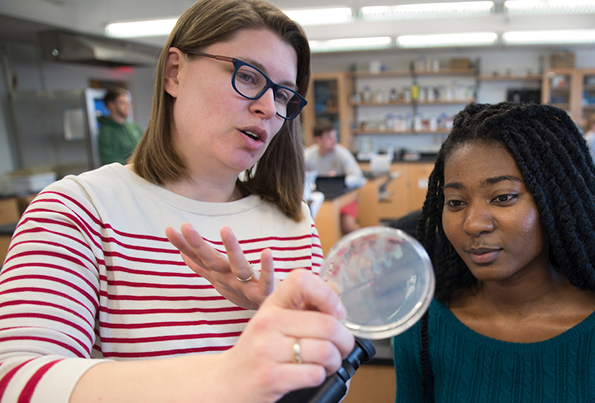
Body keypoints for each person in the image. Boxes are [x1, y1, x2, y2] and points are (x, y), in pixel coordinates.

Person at [0, 1, 355, 402]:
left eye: (284, 94)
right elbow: (14, 381)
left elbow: (328, 384)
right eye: (249, 77)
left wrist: (287, 326)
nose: (268, 108)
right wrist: (229, 375)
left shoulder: (294, 224)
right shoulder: (79, 210)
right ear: (175, 72)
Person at [393, 102, 595, 402]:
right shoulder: (423, 326)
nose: (473, 223)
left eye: (503, 197)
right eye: (455, 202)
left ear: (557, 203)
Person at [304, 118, 365, 234]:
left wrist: (337, 180)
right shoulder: (308, 156)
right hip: (321, 199)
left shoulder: (342, 153)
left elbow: (358, 178)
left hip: (345, 198)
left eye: (334, 136)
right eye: (329, 137)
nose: (334, 140)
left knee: (348, 226)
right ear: (318, 139)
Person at [97, 88, 144, 165]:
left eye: (128, 103)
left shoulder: (134, 126)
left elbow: (146, 147)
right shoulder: (106, 132)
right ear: (111, 105)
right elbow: (108, 160)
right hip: (124, 173)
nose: (128, 106)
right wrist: (133, 164)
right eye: (123, 103)